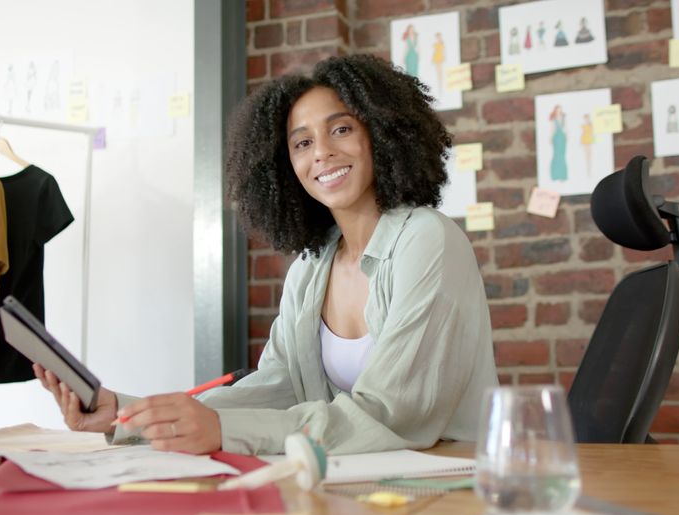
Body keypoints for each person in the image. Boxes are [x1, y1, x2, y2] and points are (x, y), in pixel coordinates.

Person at [36, 55, 498, 456]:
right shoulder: (310, 269)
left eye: (341, 129)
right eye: (302, 143)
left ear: (380, 135)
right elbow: (276, 390)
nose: (322, 153)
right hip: (357, 485)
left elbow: (391, 415)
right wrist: (130, 416)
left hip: (451, 484)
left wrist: (223, 430)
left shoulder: (427, 241)